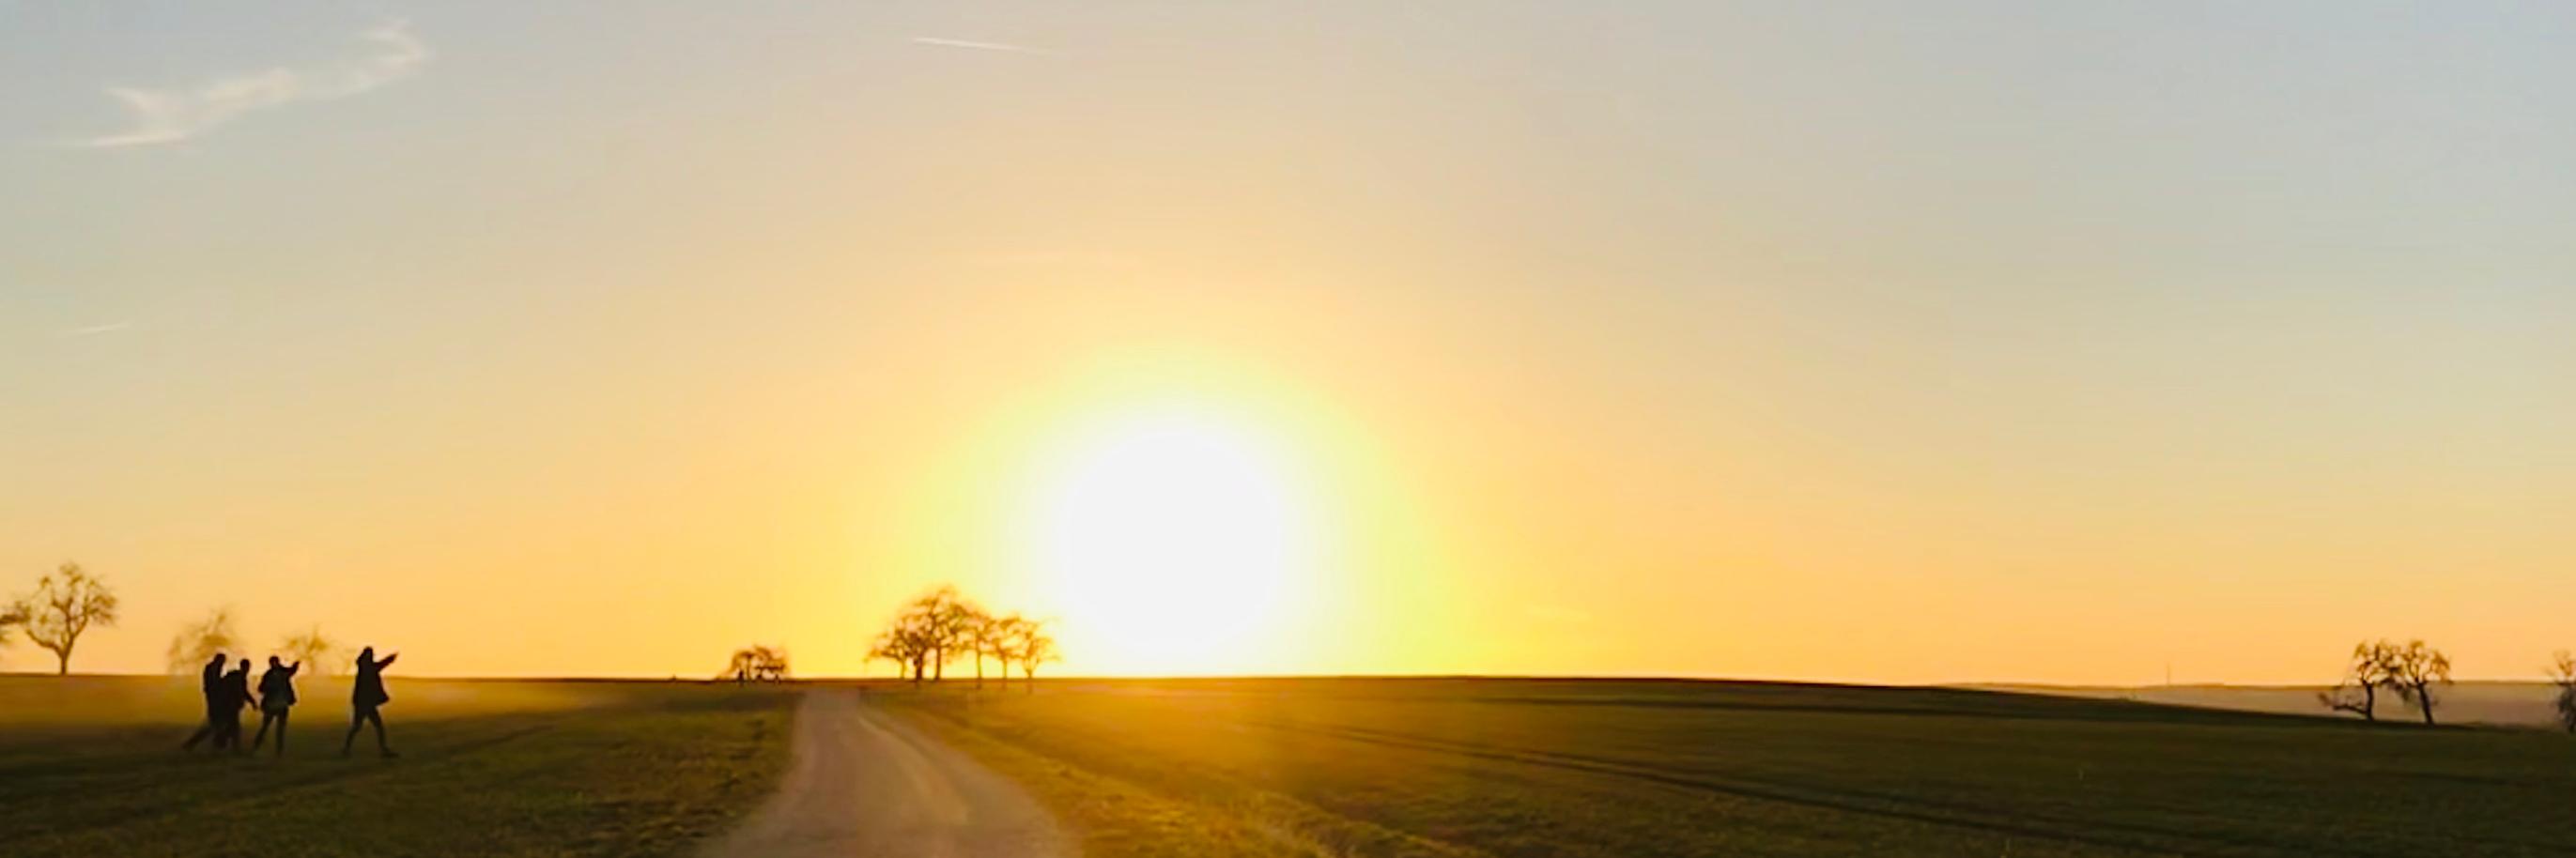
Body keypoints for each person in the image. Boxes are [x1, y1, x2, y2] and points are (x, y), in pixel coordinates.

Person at [342, 647, 399, 758]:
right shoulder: (367, 667)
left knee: (357, 727)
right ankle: (383, 749)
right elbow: (378, 666)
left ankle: (346, 749)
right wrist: (390, 659)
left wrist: (389, 660)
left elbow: (378, 666)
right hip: (366, 703)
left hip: (362, 703)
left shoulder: (363, 666)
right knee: (377, 726)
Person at [251, 655, 301, 756]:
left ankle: (278, 750)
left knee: (279, 729)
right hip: (272, 705)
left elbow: (291, 671)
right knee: (266, 727)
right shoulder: (271, 675)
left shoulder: (277, 673)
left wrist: (296, 665)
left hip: (280, 705)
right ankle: (258, 745)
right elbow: (261, 689)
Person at [179, 651, 229, 752]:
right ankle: (216, 745)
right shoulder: (212, 668)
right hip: (214, 700)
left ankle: (216, 745)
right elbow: (214, 684)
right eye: (222, 661)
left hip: (213, 699)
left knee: (215, 725)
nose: (223, 664)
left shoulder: (212, 668)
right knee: (215, 725)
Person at [214, 658, 256, 753]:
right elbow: (243, 692)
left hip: (230, 705)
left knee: (231, 726)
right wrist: (252, 702)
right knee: (234, 727)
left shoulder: (236, 676)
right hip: (231, 706)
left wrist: (252, 702)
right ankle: (229, 744)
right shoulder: (238, 677)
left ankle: (223, 742)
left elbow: (244, 692)